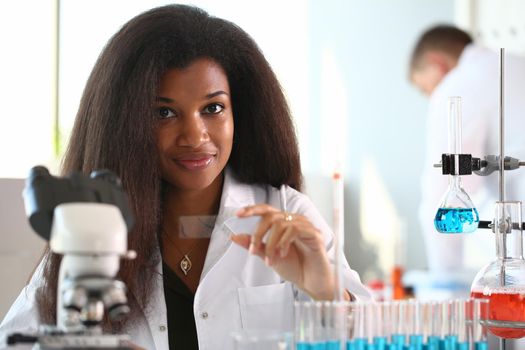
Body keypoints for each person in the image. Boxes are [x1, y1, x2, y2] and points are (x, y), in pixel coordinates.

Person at [0, 4, 370, 350]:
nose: (195, 137)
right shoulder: (93, 225)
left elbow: (373, 337)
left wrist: (327, 292)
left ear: (240, 111)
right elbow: (15, 339)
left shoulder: (286, 210)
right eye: (164, 113)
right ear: (126, 124)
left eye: (213, 108)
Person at [409, 25, 525, 279]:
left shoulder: (456, 85)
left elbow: (440, 195)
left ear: (436, 63)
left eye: (424, 88)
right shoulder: (517, 63)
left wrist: (445, 284)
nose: (430, 96)